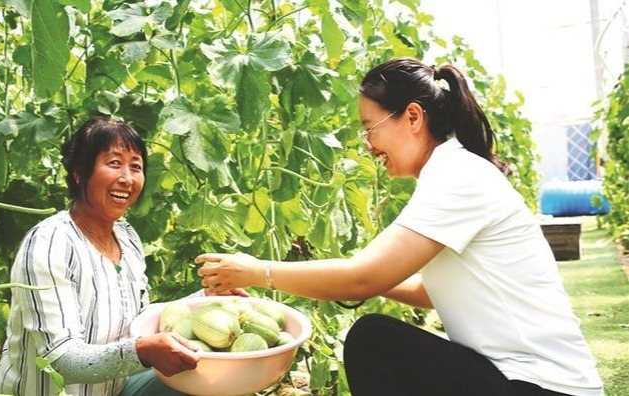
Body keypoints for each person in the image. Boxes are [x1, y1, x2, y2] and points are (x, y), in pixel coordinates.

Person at [195, 58, 604, 396]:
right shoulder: (451, 172)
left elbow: (360, 279)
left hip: (542, 386)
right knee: (380, 338)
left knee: (373, 341)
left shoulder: (457, 177)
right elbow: (429, 291)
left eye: (369, 128)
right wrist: (335, 273)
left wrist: (256, 272)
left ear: (412, 116)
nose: (368, 144)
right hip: (517, 380)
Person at [0, 118, 246, 396]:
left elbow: (137, 322)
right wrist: (142, 353)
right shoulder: (50, 243)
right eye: (114, 163)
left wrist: (204, 301)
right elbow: (60, 359)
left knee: (205, 380)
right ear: (79, 172)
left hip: (115, 390)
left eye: (135, 166)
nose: (126, 178)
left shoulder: (126, 237)